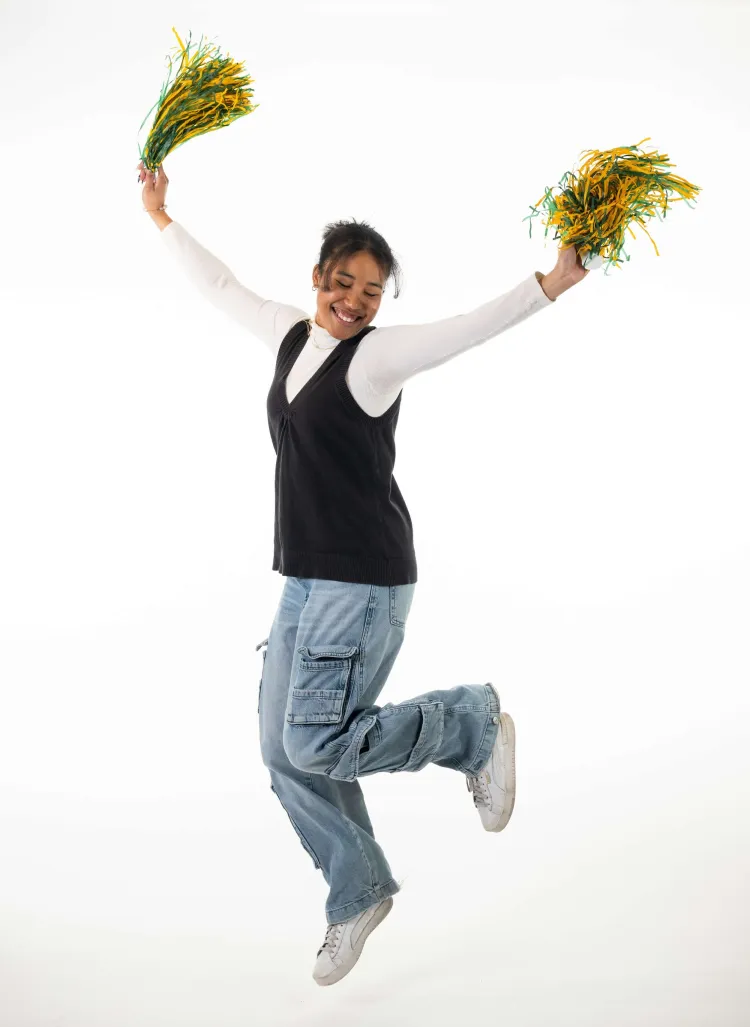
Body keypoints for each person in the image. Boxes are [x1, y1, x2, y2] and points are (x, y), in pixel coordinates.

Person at [137, 159, 589, 986]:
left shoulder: (378, 359)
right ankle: (359, 888)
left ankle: (471, 726)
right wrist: (161, 217)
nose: (354, 300)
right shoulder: (289, 334)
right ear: (318, 278)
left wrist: (550, 283)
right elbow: (221, 284)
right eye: (343, 283)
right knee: (282, 750)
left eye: (372, 291)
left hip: (364, 578)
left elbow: (467, 327)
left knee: (316, 739)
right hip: (306, 575)